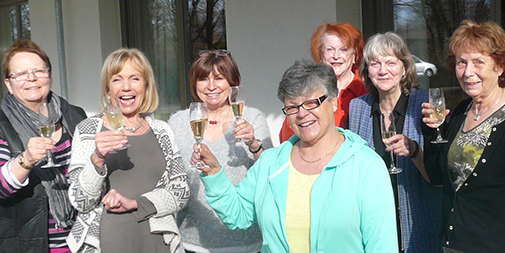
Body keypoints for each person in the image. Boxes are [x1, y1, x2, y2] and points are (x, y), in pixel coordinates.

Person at [192, 60, 398, 252]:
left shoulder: (365, 166)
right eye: (292, 107)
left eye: (311, 103)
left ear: (334, 102)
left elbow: (382, 245)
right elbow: (238, 215)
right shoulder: (271, 163)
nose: (302, 114)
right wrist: (214, 173)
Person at [420, 20, 505, 252]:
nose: (468, 72)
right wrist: (431, 133)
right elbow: (437, 177)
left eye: (478, 62)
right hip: (452, 245)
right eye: (462, 62)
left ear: (500, 67)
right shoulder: (461, 111)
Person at [66, 48, 190, 253]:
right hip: (110, 242)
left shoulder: (162, 131)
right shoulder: (88, 130)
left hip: (158, 243)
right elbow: (81, 202)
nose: (126, 87)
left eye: (134, 78)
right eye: (117, 79)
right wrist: (97, 159)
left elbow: (182, 192)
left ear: (146, 85)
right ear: (107, 88)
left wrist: (136, 204)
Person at [0, 39, 87, 252]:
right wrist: (26, 159)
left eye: (39, 70)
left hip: (82, 241)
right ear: (9, 83)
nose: (31, 78)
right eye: (19, 73)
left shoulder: (75, 115)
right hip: (27, 244)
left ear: (50, 76)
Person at [169, 49, 272, 252]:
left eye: (219, 78)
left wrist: (253, 143)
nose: (211, 86)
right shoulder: (178, 121)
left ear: (232, 83)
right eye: (203, 79)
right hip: (193, 243)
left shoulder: (251, 117)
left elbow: (270, 171)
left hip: (246, 243)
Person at [348, 32, 442, 252]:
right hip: (375, 224)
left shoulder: (425, 104)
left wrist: (415, 151)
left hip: (420, 222)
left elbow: (438, 175)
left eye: (390, 62)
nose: (382, 70)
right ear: (367, 71)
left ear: (405, 69)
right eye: (375, 64)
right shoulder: (357, 108)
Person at [278, 22, 367, 142]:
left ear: (355, 55)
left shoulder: (366, 92)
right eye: (330, 49)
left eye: (343, 50)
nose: (336, 56)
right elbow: (288, 137)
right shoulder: (306, 89)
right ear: (320, 55)